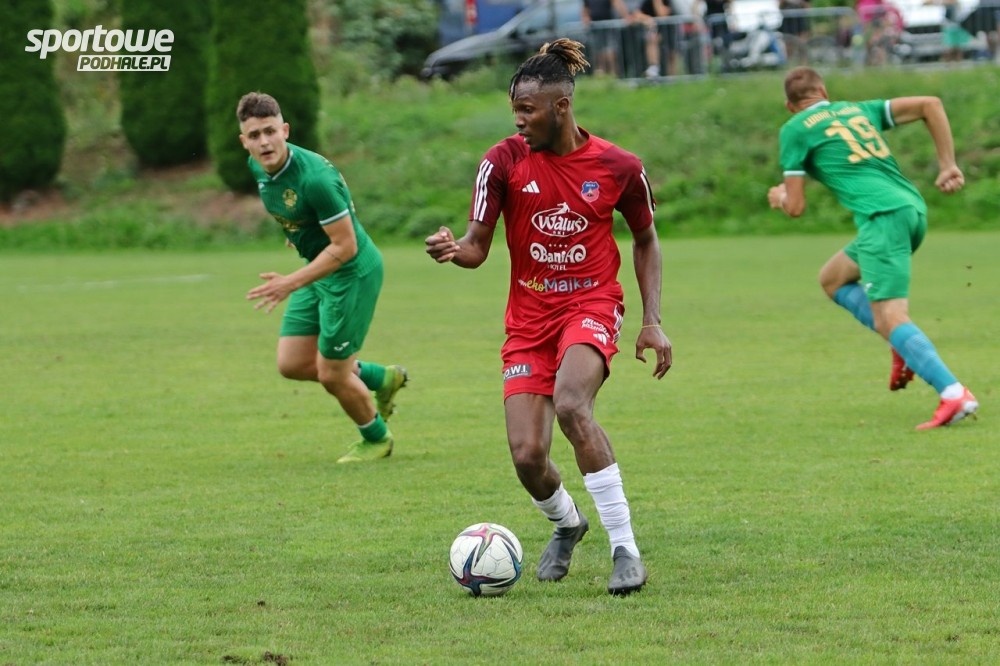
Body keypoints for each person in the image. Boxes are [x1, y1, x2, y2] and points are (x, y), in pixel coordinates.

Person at [425, 39, 672, 595]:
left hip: (591, 304)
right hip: (528, 319)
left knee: (572, 405)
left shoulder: (619, 166)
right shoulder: (503, 162)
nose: (518, 121)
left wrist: (652, 319)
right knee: (527, 456)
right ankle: (567, 523)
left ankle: (625, 550)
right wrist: (452, 248)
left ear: (561, 106)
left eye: (527, 110)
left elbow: (646, 238)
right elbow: (476, 247)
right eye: (515, 109)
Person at [767, 67, 978, 430]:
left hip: (883, 218)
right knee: (832, 279)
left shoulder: (795, 129)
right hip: (910, 211)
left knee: (891, 316)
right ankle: (902, 343)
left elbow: (796, 207)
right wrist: (948, 165)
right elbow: (930, 104)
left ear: (789, 105)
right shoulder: (856, 109)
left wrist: (780, 197)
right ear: (824, 91)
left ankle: (953, 393)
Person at [237, 92, 407, 463]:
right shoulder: (258, 166)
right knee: (293, 363)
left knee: (332, 374)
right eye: (254, 135)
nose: (264, 142)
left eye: (270, 131)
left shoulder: (314, 178)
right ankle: (381, 378)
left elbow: (345, 246)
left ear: (285, 130)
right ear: (244, 141)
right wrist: (299, 231)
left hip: (350, 275)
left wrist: (289, 282)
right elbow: (296, 208)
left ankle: (377, 439)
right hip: (319, 266)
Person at [582, 0, 630, 75]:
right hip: (594, 27)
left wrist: (626, 16)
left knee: (610, 53)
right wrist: (585, 18)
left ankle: (613, 74)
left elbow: (617, 3)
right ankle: (601, 75)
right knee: (598, 54)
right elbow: (585, 8)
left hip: (609, 26)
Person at [636, 0, 671, 77]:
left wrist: (657, 2)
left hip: (669, 33)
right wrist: (647, 18)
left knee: (671, 57)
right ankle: (654, 68)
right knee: (651, 38)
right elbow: (637, 14)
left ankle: (671, 78)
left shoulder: (668, 2)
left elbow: (662, 15)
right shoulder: (647, 2)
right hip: (653, 34)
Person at [778, 0, 812, 65]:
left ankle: (804, 65)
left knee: (802, 44)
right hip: (787, 20)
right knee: (788, 45)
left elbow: (808, 8)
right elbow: (780, 6)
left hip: (800, 19)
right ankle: (789, 65)